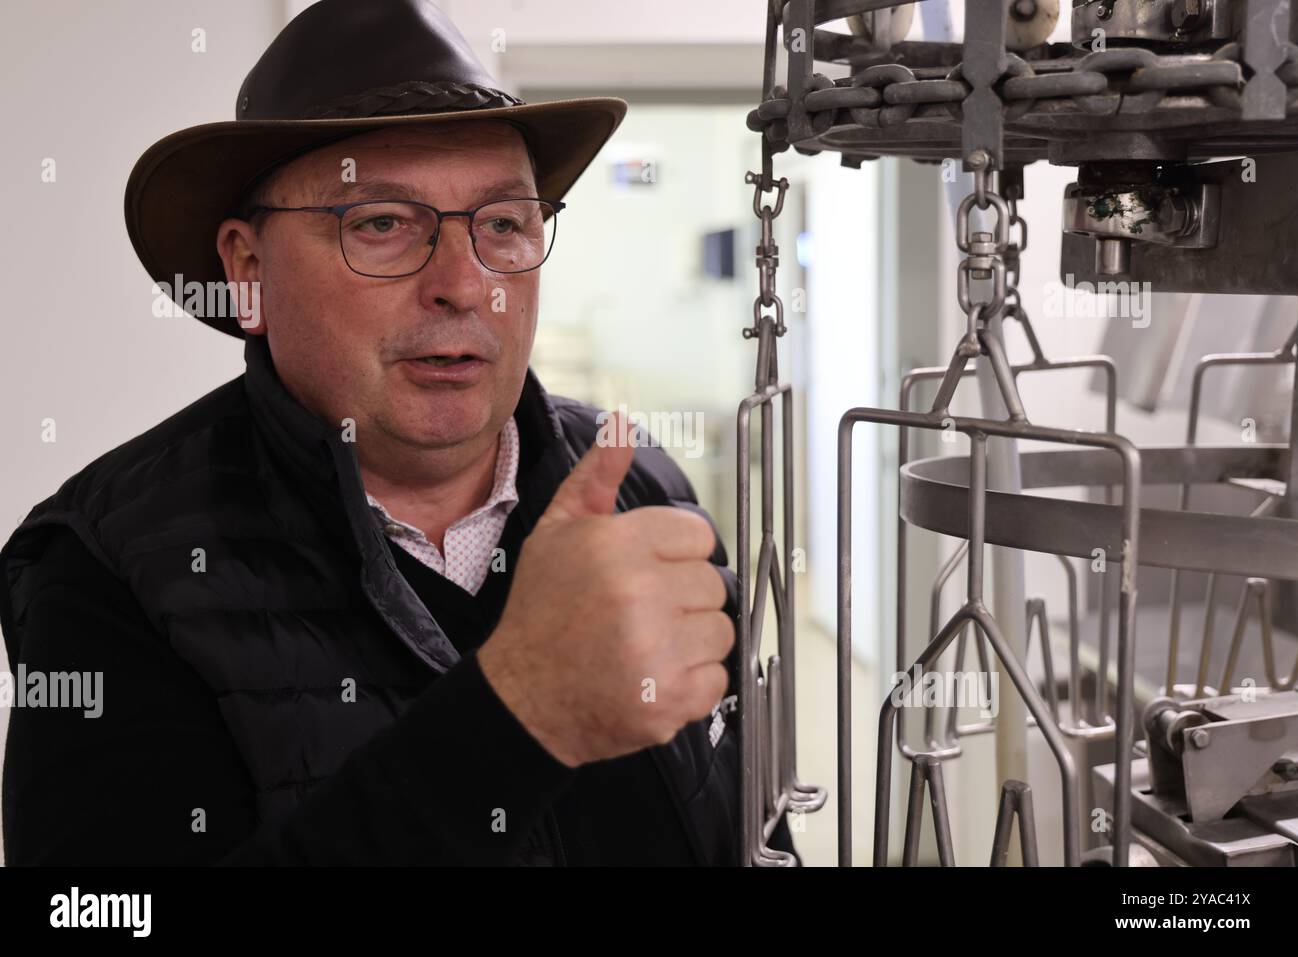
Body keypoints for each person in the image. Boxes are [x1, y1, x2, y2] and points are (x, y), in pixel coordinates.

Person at [0, 0, 798, 866]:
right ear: (248, 270)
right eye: (380, 223)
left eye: (502, 223)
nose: (465, 284)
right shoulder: (107, 571)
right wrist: (516, 718)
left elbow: (755, 834)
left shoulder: (639, 486)